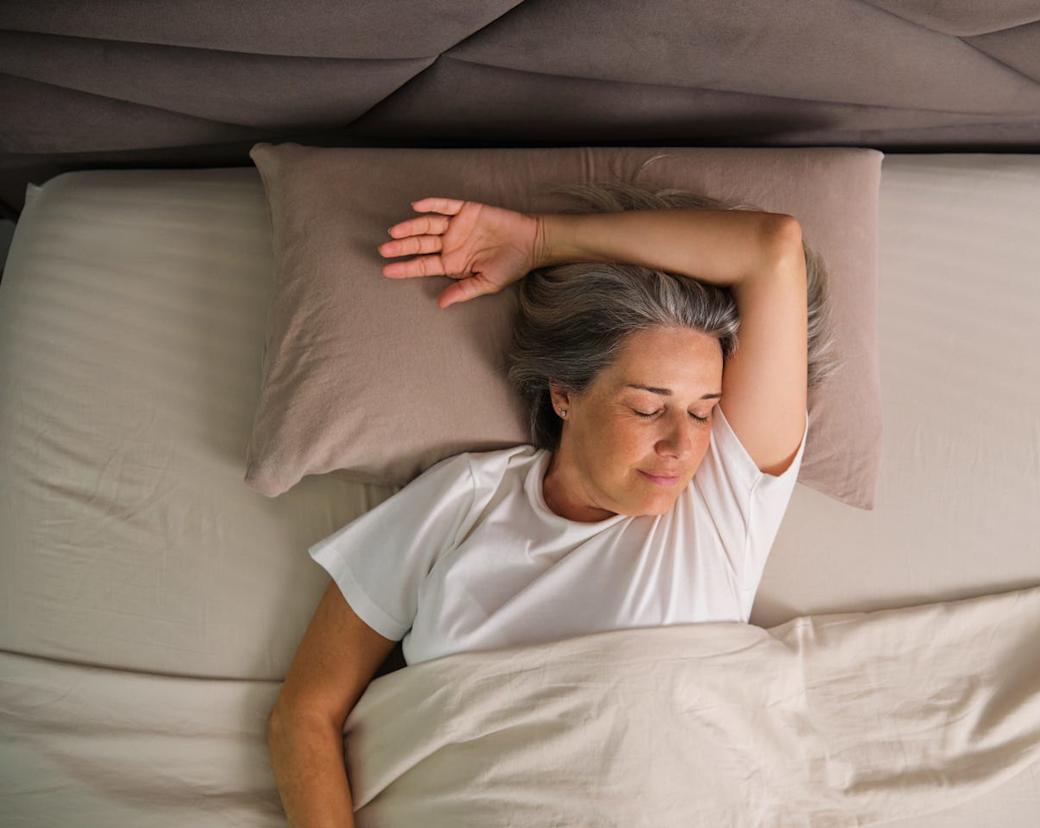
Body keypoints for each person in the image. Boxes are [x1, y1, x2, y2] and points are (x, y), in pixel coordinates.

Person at [266, 180, 839, 828]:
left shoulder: (720, 504)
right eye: (646, 408)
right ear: (564, 394)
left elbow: (771, 249)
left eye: (703, 412)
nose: (682, 445)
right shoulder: (464, 499)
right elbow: (304, 714)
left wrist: (540, 240)